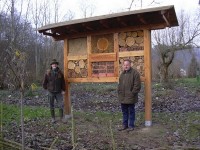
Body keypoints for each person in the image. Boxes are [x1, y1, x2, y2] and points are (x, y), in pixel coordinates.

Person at [117, 59, 141, 131]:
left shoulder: (135, 73)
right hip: (123, 97)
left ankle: (131, 126)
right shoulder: (122, 74)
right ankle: (124, 125)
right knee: (124, 112)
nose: (126, 66)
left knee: (131, 112)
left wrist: (132, 93)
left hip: (131, 97)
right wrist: (119, 92)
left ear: (130, 65)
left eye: (127, 65)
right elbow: (120, 85)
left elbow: (137, 86)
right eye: (124, 65)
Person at [43, 59, 66, 123]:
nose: (54, 65)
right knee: (51, 105)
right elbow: (45, 82)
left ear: (57, 65)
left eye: (55, 64)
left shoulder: (60, 72)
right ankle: (53, 118)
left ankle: (62, 118)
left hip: (59, 92)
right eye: (53, 64)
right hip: (51, 92)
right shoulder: (48, 72)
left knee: (61, 105)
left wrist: (63, 90)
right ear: (51, 65)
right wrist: (46, 89)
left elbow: (63, 82)